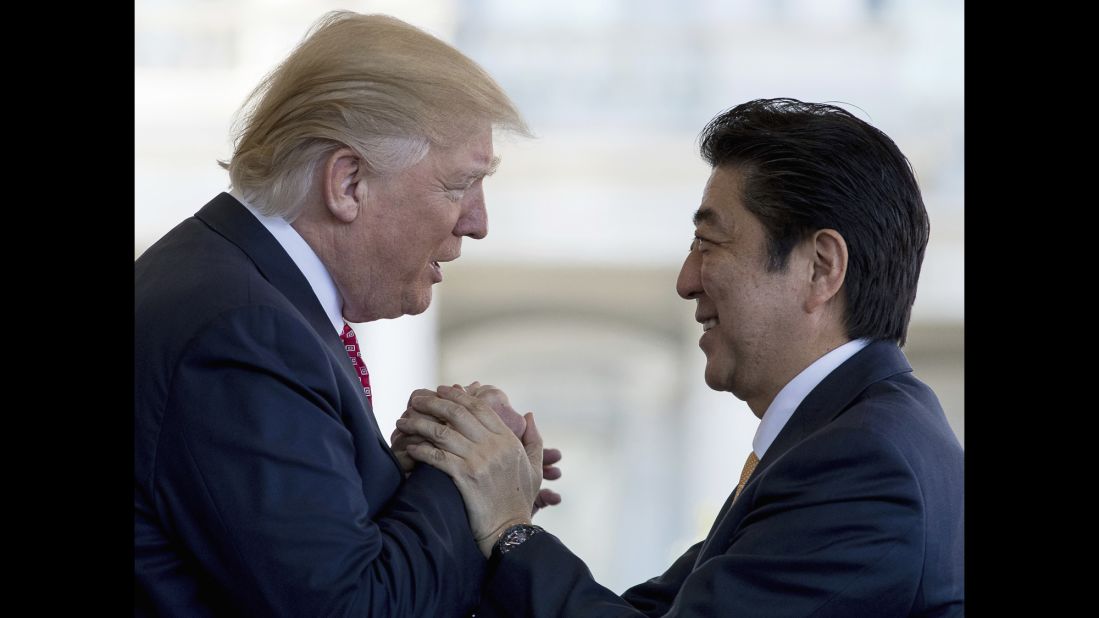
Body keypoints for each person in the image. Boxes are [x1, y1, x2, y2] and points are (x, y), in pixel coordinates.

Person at [395, 98, 965, 616]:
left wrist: (509, 526)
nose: (686, 281)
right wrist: (487, 495)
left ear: (820, 268)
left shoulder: (861, 462)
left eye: (709, 245)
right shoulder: (850, 436)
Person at [134, 11, 561, 616]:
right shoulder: (242, 331)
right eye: (460, 185)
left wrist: (415, 472)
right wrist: (469, 470)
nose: (479, 222)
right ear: (349, 182)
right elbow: (354, 608)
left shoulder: (245, 295)